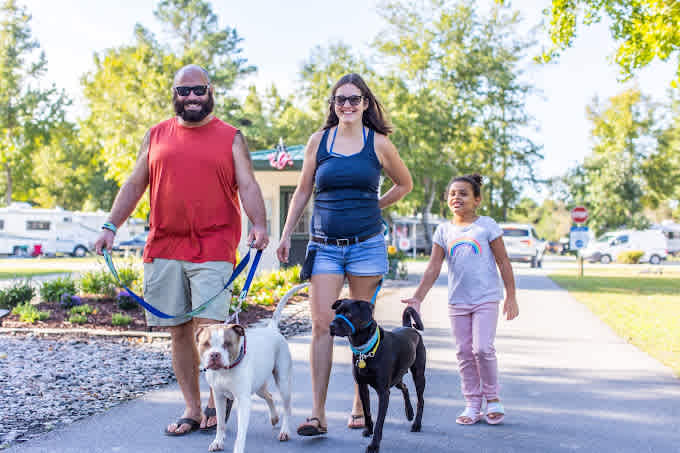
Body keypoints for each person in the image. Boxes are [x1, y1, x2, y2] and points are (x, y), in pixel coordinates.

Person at [93, 64, 269, 436]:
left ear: (210, 91)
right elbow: (134, 183)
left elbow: (249, 185)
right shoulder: (156, 135)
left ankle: (215, 404)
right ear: (174, 94)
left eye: (198, 90)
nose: (191, 97)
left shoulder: (230, 137)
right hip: (165, 245)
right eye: (184, 91)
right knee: (178, 331)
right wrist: (111, 225)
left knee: (209, 331)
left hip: (214, 246)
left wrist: (259, 224)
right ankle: (192, 408)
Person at [276, 73, 412, 436]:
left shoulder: (378, 143)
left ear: (366, 103)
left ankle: (358, 402)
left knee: (360, 325)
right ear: (333, 105)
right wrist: (287, 234)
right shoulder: (318, 141)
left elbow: (405, 183)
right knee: (322, 324)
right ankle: (317, 414)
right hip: (325, 248)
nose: (347, 106)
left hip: (366, 245)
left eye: (354, 99)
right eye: (340, 100)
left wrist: (376, 206)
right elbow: (303, 190)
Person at [401, 174, 519, 425]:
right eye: (453, 193)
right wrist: (417, 298)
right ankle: (472, 403)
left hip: (486, 298)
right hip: (458, 302)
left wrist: (511, 295)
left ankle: (492, 398)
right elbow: (433, 267)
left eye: (464, 193)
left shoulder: (486, 226)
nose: (457, 197)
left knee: (482, 349)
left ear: (477, 199)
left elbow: (503, 261)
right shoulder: (443, 230)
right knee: (464, 352)